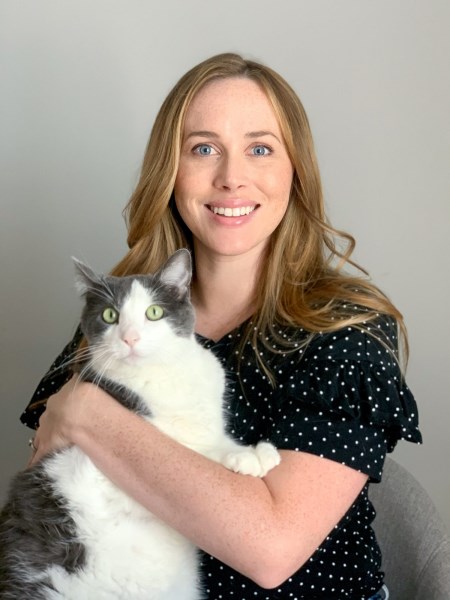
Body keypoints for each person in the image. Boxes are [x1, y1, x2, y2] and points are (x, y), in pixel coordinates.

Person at [21, 53, 421, 599]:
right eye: (203, 148)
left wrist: (89, 414)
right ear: (171, 170)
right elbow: (49, 493)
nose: (232, 178)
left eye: (260, 149)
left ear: (294, 170)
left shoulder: (345, 331)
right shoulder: (123, 313)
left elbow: (271, 548)